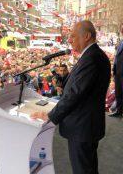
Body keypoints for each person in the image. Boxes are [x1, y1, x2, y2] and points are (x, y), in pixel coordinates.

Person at [31, 20, 111, 174]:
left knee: (83, 170)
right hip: (86, 125)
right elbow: (79, 86)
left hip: (83, 127)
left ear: (86, 36)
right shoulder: (91, 55)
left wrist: (49, 116)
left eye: (73, 36)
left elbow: (75, 94)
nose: (69, 40)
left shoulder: (92, 58)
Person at [111, 23, 123, 117]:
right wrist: (114, 70)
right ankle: (119, 111)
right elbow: (117, 57)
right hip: (118, 73)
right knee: (118, 92)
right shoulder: (121, 42)